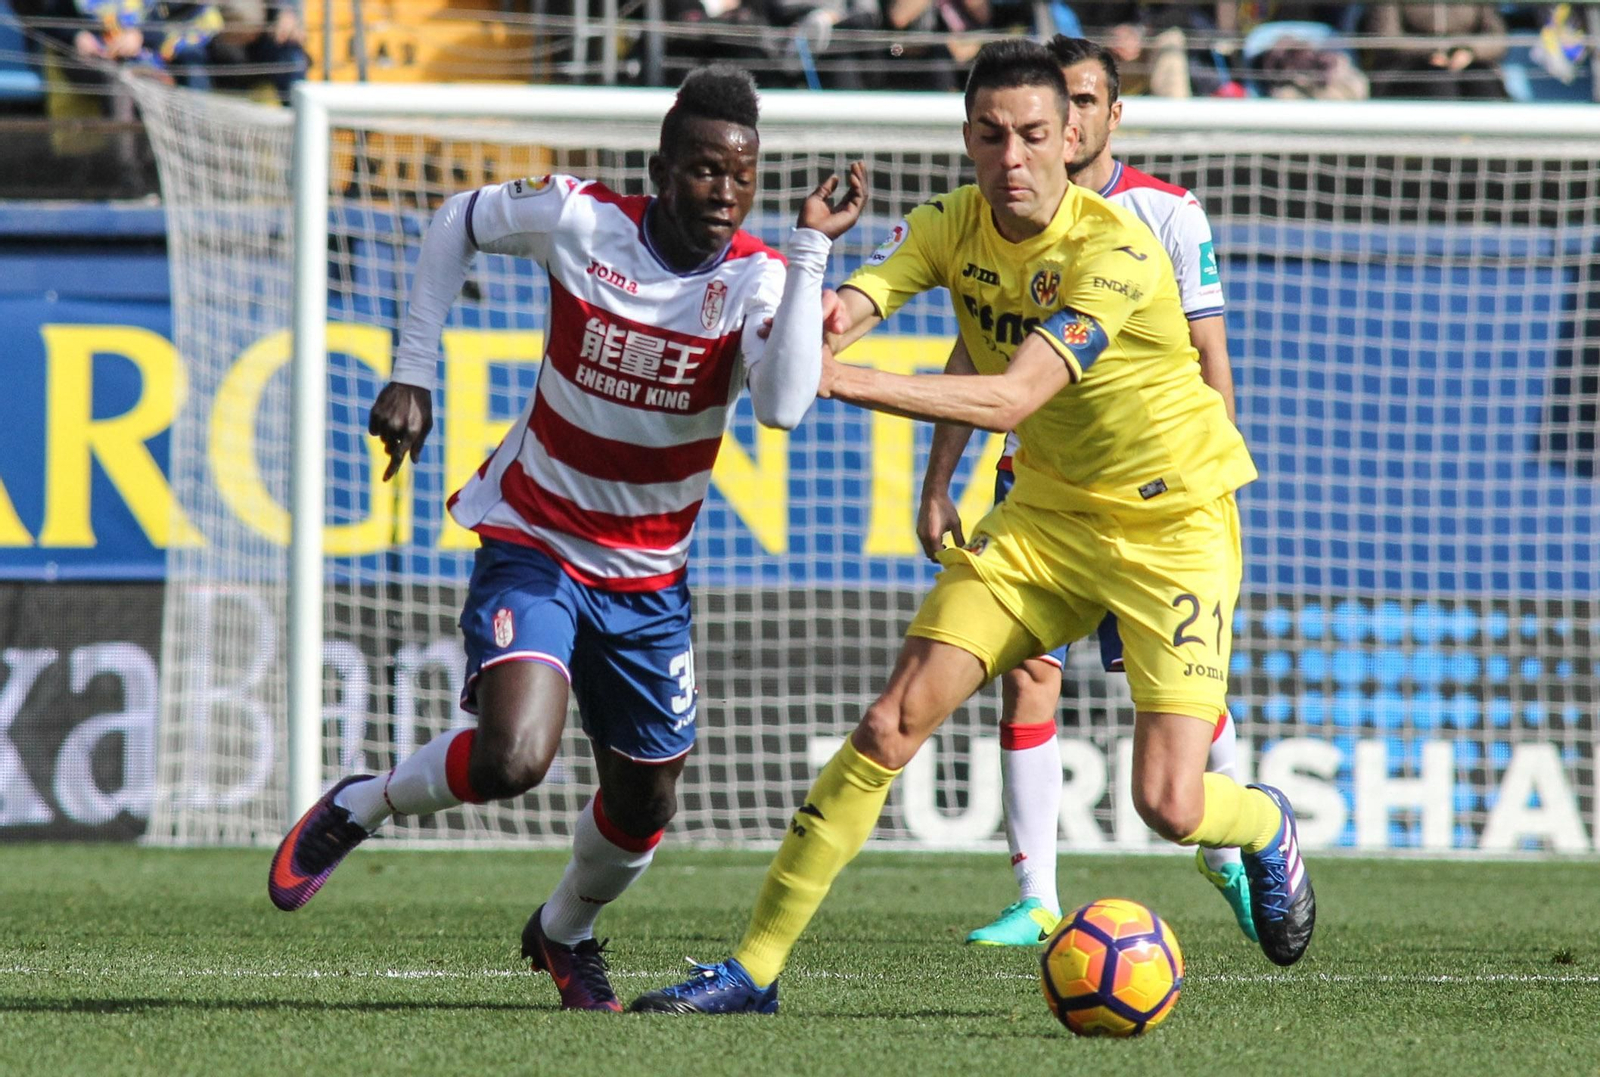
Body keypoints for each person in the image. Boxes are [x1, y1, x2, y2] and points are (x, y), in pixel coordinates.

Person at [632, 39, 1314, 1016]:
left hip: (1173, 529)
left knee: (1170, 804)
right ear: (967, 139)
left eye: (1035, 133)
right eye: (992, 135)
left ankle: (1262, 823)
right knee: (889, 721)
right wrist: (809, 290)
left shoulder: (1112, 248)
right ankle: (753, 969)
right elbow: (839, 315)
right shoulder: (948, 225)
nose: (1014, 156)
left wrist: (842, 378)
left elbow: (1010, 396)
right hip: (1042, 521)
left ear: (1071, 134)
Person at [266, 65, 867, 1013]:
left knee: (646, 806)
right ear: (662, 170)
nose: (723, 192)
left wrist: (807, 252)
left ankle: (563, 931)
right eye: (705, 170)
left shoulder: (757, 276)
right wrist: (412, 370)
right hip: (536, 538)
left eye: (741, 176)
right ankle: (361, 803)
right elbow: (455, 219)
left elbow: (787, 407)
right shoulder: (582, 220)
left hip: (648, 581)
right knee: (513, 757)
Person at [920, 35, 1254, 950]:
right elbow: (976, 351)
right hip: (1042, 486)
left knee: (1176, 704)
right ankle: (1034, 894)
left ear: (1106, 116)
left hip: (1152, 497)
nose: (1058, 123)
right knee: (1027, 669)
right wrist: (940, 477)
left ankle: (1234, 844)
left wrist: (1209, 487)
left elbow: (1206, 355)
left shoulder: (1163, 215)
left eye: (1080, 102)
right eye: (1048, 104)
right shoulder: (1003, 219)